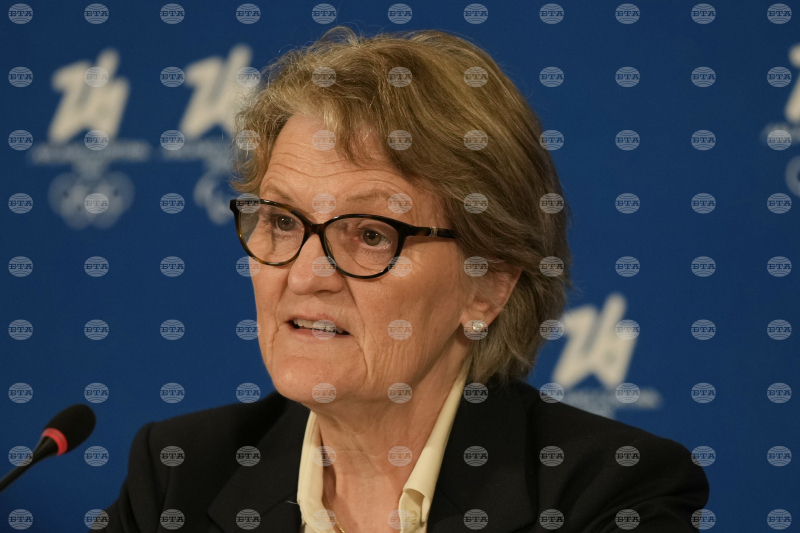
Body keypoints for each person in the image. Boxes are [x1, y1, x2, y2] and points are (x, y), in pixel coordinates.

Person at [101, 25, 709, 532]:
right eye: (283, 221)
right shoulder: (180, 475)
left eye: (370, 235)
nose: (306, 275)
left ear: (488, 285)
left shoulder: (607, 496)